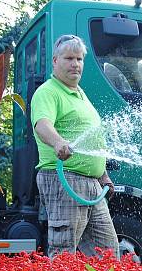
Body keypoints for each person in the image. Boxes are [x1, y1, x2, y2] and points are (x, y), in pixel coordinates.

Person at [31, 34, 119, 258]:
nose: (75, 64)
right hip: (65, 179)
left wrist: (103, 175)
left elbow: (92, 140)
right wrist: (58, 142)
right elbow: (42, 125)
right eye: (69, 58)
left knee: (107, 254)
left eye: (79, 59)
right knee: (64, 253)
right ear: (55, 61)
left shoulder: (80, 94)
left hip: (92, 185)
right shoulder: (48, 92)